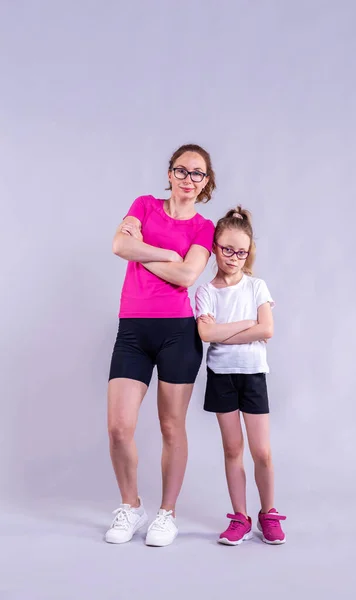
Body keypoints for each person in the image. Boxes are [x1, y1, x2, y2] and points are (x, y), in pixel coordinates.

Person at [105, 144, 215, 547]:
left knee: (172, 426)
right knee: (119, 428)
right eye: (181, 171)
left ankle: (167, 514)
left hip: (177, 333)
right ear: (169, 174)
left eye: (197, 173)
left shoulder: (205, 227)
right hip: (133, 329)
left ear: (206, 183)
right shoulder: (144, 205)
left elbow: (188, 276)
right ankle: (131, 507)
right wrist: (167, 252)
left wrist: (143, 252)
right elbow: (119, 246)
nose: (188, 179)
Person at [195, 206, 286, 546]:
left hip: (252, 376)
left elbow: (268, 329)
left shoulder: (256, 287)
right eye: (226, 249)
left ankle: (268, 513)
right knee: (233, 449)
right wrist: (247, 325)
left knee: (261, 451)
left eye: (241, 251)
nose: (233, 257)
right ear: (215, 246)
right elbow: (206, 336)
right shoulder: (206, 292)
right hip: (221, 376)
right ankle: (240, 517)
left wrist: (222, 331)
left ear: (249, 253)